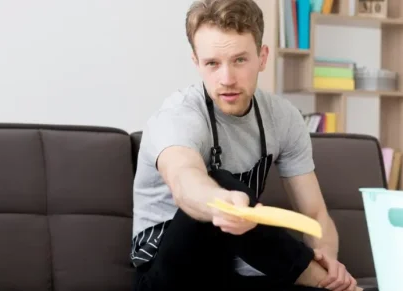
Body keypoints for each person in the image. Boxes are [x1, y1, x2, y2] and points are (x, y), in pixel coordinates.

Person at [130, 0, 362, 290]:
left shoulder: (283, 118)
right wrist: (219, 205)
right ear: (196, 62)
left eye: (239, 60)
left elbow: (315, 214)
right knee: (221, 185)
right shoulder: (178, 115)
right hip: (166, 275)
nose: (226, 79)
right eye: (212, 63)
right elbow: (183, 178)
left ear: (262, 57)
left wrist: (328, 263)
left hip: (230, 270)